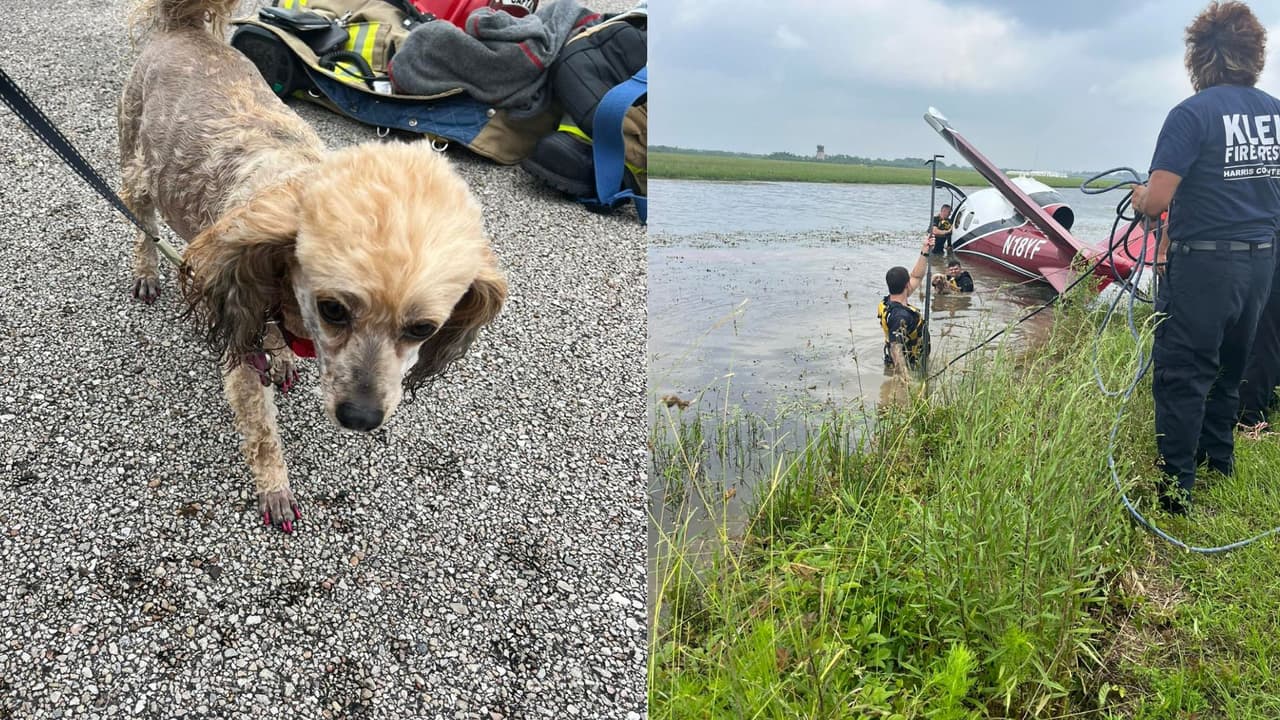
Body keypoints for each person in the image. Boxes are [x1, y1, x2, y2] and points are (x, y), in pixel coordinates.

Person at [1130, 1, 1280, 516]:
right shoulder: (1276, 114)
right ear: (1254, 55)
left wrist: (1138, 197)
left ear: (1199, 56)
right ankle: (1220, 463)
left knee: (1183, 373)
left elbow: (1158, 200)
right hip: (1261, 264)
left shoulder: (1191, 114)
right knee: (1230, 368)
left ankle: (1176, 493)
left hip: (1205, 267)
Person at [879, 237, 933, 377]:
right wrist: (906, 378)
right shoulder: (900, 316)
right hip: (910, 367)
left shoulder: (889, 301)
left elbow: (917, 276)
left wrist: (925, 250)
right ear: (907, 285)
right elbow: (895, 348)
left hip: (911, 361)